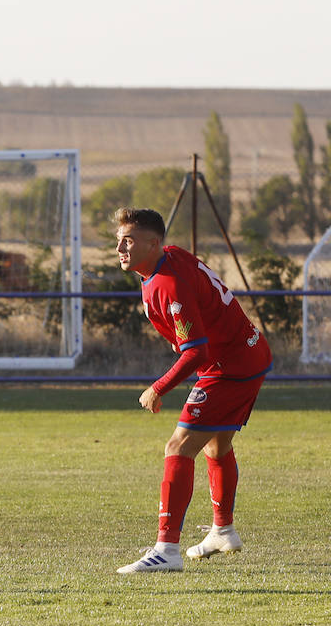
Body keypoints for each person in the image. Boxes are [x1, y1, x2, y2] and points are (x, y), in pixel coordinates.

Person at [112, 207, 272, 574]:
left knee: (178, 447)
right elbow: (199, 311)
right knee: (217, 445)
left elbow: (196, 350)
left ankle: (166, 549)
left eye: (129, 240)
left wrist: (158, 387)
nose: (120, 247)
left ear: (154, 243)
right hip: (249, 355)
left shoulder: (167, 281)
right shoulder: (171, 258)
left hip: (229, 367)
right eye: (118, 240)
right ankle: (223, 529)